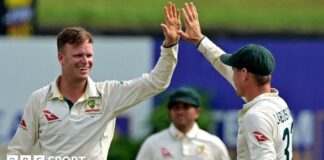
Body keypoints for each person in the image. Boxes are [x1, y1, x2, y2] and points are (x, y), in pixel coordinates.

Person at [7, 2, 181, 159]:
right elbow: (17, 152)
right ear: (61, 58)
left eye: (89, 55)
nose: (85, 61)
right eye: (78, 55)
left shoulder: (108, 94)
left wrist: (170, 46)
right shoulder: (39, 99)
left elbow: (156, 82)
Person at [178, 2, 293, 160]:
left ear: (245, 74)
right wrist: (200, 40)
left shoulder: (256, 115)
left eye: (235, 70)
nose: (231, 74)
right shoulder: (278, 103)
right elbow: (225, 68)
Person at [136, 87, 231, 160]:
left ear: (197, 112)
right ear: (169, 112)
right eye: (176, 107)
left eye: (186, 107)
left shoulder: (213, 143)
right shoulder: (153, 143)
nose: (180, 112)